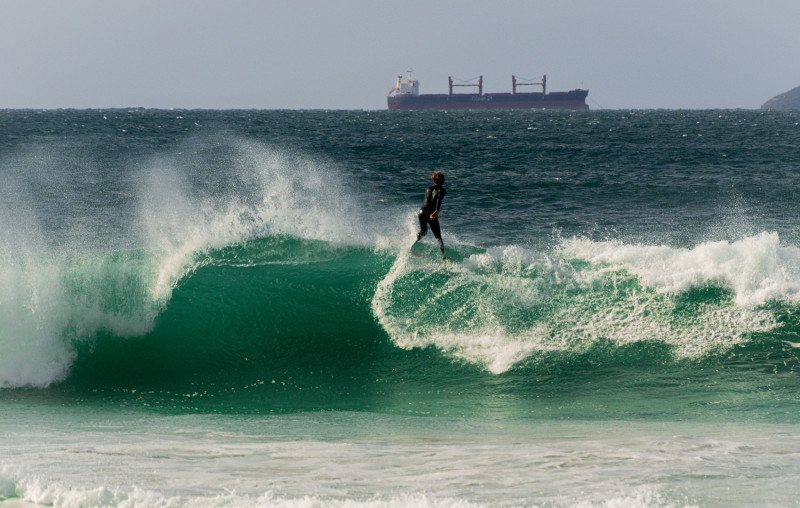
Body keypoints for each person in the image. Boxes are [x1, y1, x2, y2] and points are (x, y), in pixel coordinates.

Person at [413, 171, 447, 260]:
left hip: (422, 212)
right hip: (431, 214)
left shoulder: (428, 188)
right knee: (438, 237)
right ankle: (444, 258)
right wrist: (436, 211)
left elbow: (428, 200)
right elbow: (438, 199)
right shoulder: (442, 190)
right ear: (443, 181)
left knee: (423, 232)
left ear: (434, 180)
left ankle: (410, 244)